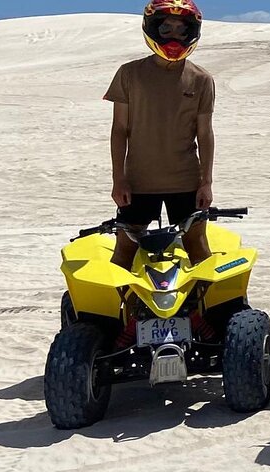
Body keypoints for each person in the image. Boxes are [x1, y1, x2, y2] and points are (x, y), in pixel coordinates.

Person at [103, 0, 215, 270]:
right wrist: (119, 179)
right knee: (124, 251)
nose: (174, 36)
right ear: (153, 29)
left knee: (198, 249)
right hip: (139, 182)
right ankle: (116, 300)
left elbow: (205, 134)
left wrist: (206, 182)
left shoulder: (201, 79)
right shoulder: (129, 73)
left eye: (181, 29)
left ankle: (206, 299)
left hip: (186, 181)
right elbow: (119, 130)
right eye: (166, 29)